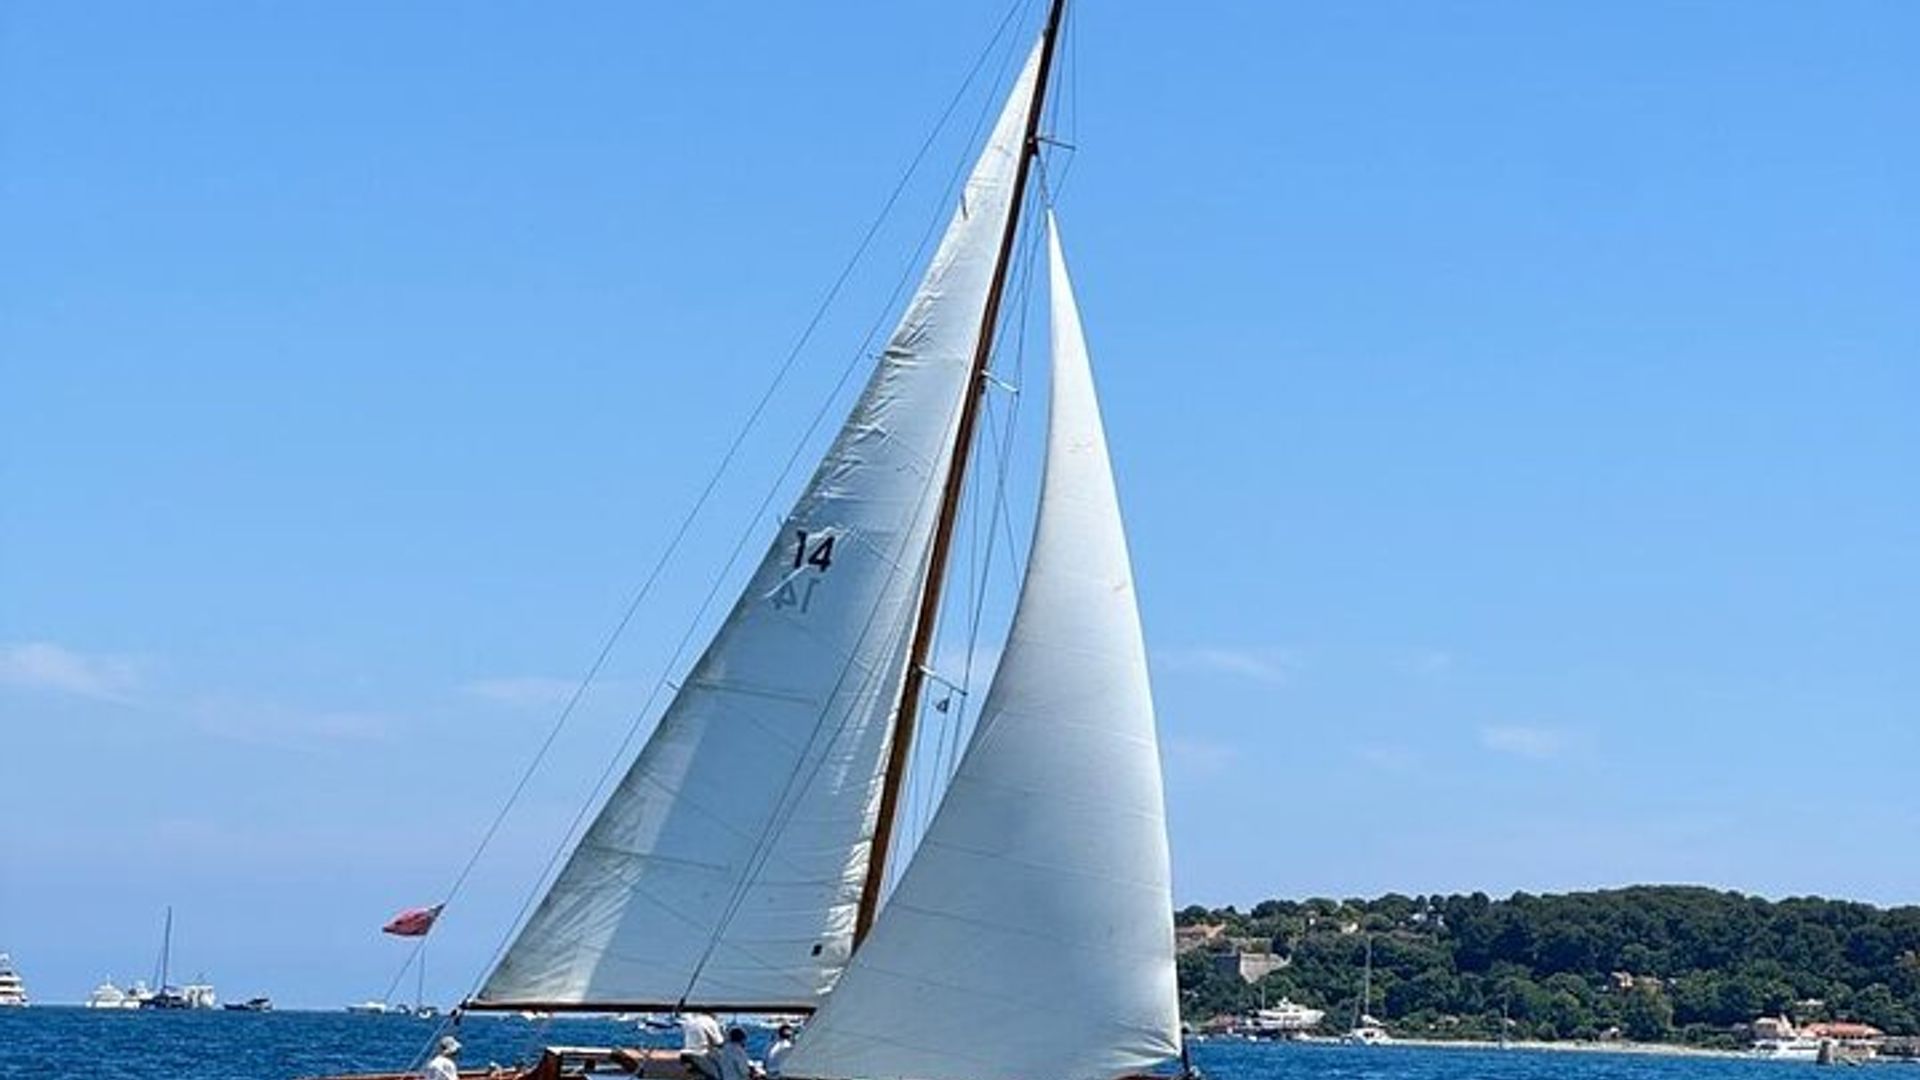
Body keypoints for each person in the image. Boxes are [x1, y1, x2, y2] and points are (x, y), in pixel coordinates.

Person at [679, 1012, 725, 1080]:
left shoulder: (689, 1018)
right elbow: (720, 1042)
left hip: (685, 1054)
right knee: (718, 1076)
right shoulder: (710, 1021)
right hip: (699, 1054)